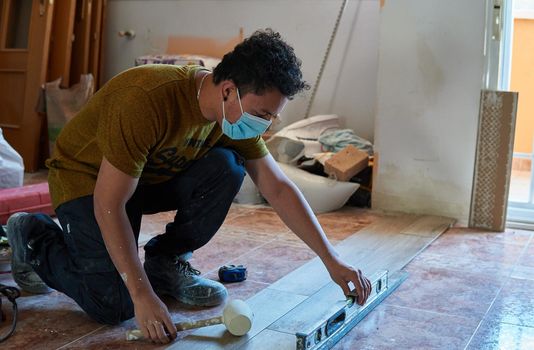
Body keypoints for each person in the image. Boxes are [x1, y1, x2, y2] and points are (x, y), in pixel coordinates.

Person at [6, 29, 371, 344]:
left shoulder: (229, 114)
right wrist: (141, 293)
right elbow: (109, 204)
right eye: (263, 115)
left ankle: (165, 262)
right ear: (229, 90)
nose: (268, 125)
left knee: (228, 167)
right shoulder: (145, 100)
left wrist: (331, 259)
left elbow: (276, 187)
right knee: (115, 304)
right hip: (87, 181)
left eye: (273, 116)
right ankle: (36, 236)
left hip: (139, 180)